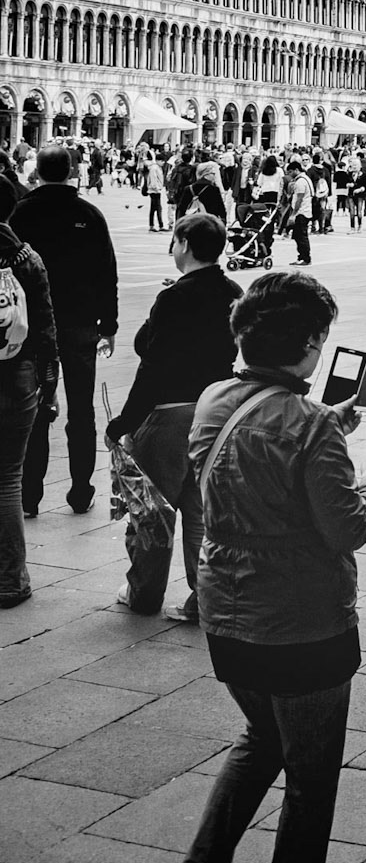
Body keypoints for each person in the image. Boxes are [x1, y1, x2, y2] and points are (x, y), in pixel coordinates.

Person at [164, 272, 366, 863]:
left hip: (227, 618)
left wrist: (331, 430)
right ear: (314, 344)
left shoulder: (214, 400)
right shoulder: (309, 424)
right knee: (311, 777)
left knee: (262, 736)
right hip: (302, 627)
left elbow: (261, 447)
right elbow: (344, 526)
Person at [106, 210, 241, 622]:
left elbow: (152, 360)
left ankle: (144, 592)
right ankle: (204, 598)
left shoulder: (173, 298)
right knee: (201, 511)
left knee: (152, 509)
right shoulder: (234, 291)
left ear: (184, 244)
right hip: (214, 412)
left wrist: (123, 423)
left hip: (168, 413)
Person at [16, 144, 118, 516]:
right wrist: (109, 325)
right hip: (79, 326)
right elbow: (107, 272)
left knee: (37, 406)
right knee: (81, 408)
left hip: (34, 327)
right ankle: (80, 490)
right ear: (72, 171)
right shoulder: (88, 214)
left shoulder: (22, 213)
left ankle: (30, 495)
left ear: (38, 172)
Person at [0, 175, 57, 607]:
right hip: (18, 374)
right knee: (8, 480)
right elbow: (44, 327)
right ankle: (11, 581)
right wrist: (50, 384)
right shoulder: (26, 257)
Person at [146, 154, 167, 234]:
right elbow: (153, 178)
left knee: (154, 208)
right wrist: (156, 188)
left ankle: (153, 225)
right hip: (154, 190)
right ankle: (159, 225)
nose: (163, 163)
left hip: (155, 190)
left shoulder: (156, 167)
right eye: (162, 161)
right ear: (157, 160)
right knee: (157, 208)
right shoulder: (154, 168)